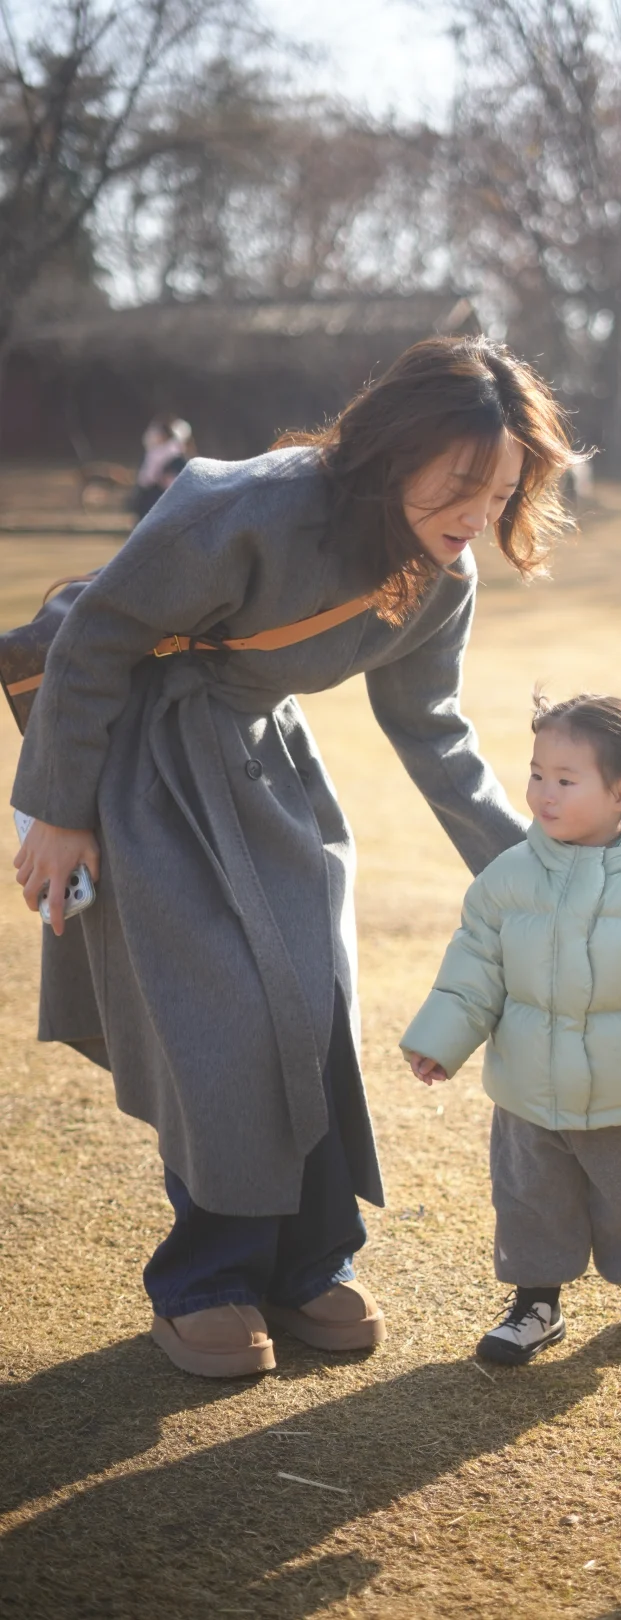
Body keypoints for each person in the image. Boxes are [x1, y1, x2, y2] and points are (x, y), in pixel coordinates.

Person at [12, 337, 577, 1378]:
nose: (478, 515)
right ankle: (206, 1282)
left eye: (501, 491)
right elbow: (94, 637)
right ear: (393, 448)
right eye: (462, 483)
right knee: (217, 1013)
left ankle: (314, 1263)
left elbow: (436, 730)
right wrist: (55, 808)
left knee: (312, 1001)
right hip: (142, 760)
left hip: (267, 769)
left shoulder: (443, 581)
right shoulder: (247, 507)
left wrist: (530, 867)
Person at [401, 692, 621, 1366]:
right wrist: (440, 1039)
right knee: (531, 1202)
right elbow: (476, 966)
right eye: (535, 774)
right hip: (531, 1095)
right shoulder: (511, 877)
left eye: (564, 780)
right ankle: (536, 1302)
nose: (541, 794)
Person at [132, 418, 188, 519]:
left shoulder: (174, 452)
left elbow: (176, 473)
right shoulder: (153, 451)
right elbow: (145, 475)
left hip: (164, 493)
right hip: (149, 491)